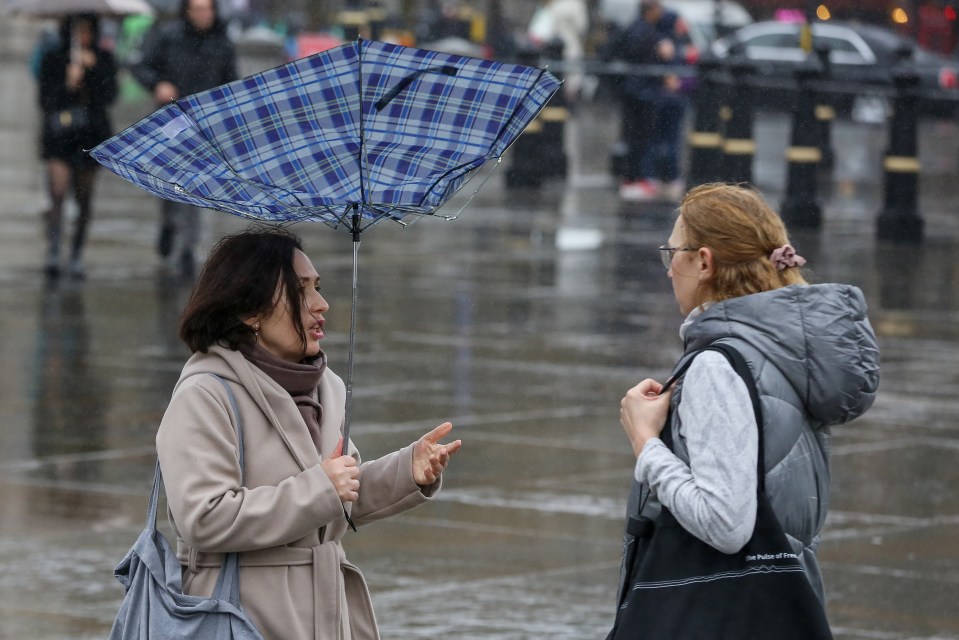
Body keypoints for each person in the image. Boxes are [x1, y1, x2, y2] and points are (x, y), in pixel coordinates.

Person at [155, 226, 462, 639]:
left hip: (325, 615)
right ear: (251, 310)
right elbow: (204, 517)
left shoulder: (323, 389)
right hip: (239, 617)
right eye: (301, 291)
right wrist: (321, 489)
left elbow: (338, 498)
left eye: (318, 287)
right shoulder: (206, 395)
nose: (322, 304)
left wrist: (408, 470)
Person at [616, 184, 879, 617]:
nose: (667, 269)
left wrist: (647, 442)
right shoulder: (785, 350)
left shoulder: (719, 366)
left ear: (703, 262)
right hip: (778, 603)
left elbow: (725, 523)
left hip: (716, 612)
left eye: (673, 252)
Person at [131, 0, 237, 277]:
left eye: (208, 9)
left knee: (195, 185)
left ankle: (189, 247)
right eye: (198, 9)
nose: (203, 15)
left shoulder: (222, 43)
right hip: (170, 121)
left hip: (204, 127)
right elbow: (141, 65)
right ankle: (169, 224)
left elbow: (231, 82)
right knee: (170, 184)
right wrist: (158, 84)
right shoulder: (168, 36)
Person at [37, 13, 118, 279]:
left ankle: (75, 254)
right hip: (59, 137)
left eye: (87, 31)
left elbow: (110, 96)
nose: (82, 37)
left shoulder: (104, 58)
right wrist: (68, 83)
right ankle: (53, 249)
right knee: (58, 193)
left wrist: (92, 72)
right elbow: (45, 101)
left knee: (84, 198)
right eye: (77, 31)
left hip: (90, 137)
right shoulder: (53, 58)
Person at [601, 0, 667, 201]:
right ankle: (632, 180)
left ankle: (635, 179)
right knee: (638, 138)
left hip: (635, 92)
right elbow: (641, 59)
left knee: (635, 137)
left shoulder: (636, 28)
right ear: (651, 11)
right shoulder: (643, 31)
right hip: (640, 94)